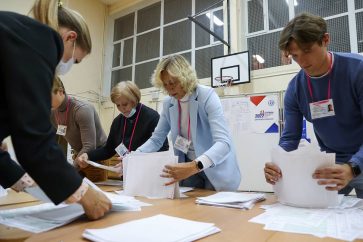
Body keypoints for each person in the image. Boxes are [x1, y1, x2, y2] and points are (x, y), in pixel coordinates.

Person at [0, 0, 111, 219]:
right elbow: (34, 142)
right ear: (70, 38)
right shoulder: (39, 42)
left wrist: (25, 182)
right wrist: (83, 192)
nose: (70, 65)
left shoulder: (17, 34)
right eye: (76, 60)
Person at [264, 13, 363, 198]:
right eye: (295, 56)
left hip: (360, 158)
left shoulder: (357, 71)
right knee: (326, 220)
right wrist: (278, 162)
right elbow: (290, 138)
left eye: (307, 51)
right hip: (332, 165)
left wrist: (354, 167)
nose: (301, 62)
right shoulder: (295, 88)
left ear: (325, 40)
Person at [137, 55, 241, 191]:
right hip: (188, 169)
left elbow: (224, 143)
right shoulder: (169, 104)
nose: (169, 89)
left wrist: (195, 165)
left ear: (185, 77)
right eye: (165, 84)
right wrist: (134, 155)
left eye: (173, 82)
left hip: (214, 167)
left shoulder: (207, 96)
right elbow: (156, 139)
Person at [76, 81, 169, 170]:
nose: (122, 109)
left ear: (134, 100)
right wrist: (88, 155)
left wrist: (135, 161)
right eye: (118, 105)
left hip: (148, 172)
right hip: (126, 172)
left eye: (125, 104)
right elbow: (108, 149)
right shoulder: (117, 122)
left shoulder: (152, 117)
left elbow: (162, 149)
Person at [50, 77, 107, 164]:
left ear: (60, 91)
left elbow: (89, 146)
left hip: (98, 155)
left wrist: (71, 169)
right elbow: (58, 142)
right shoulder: (53, 112)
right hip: (80, 154)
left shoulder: (82, 110)